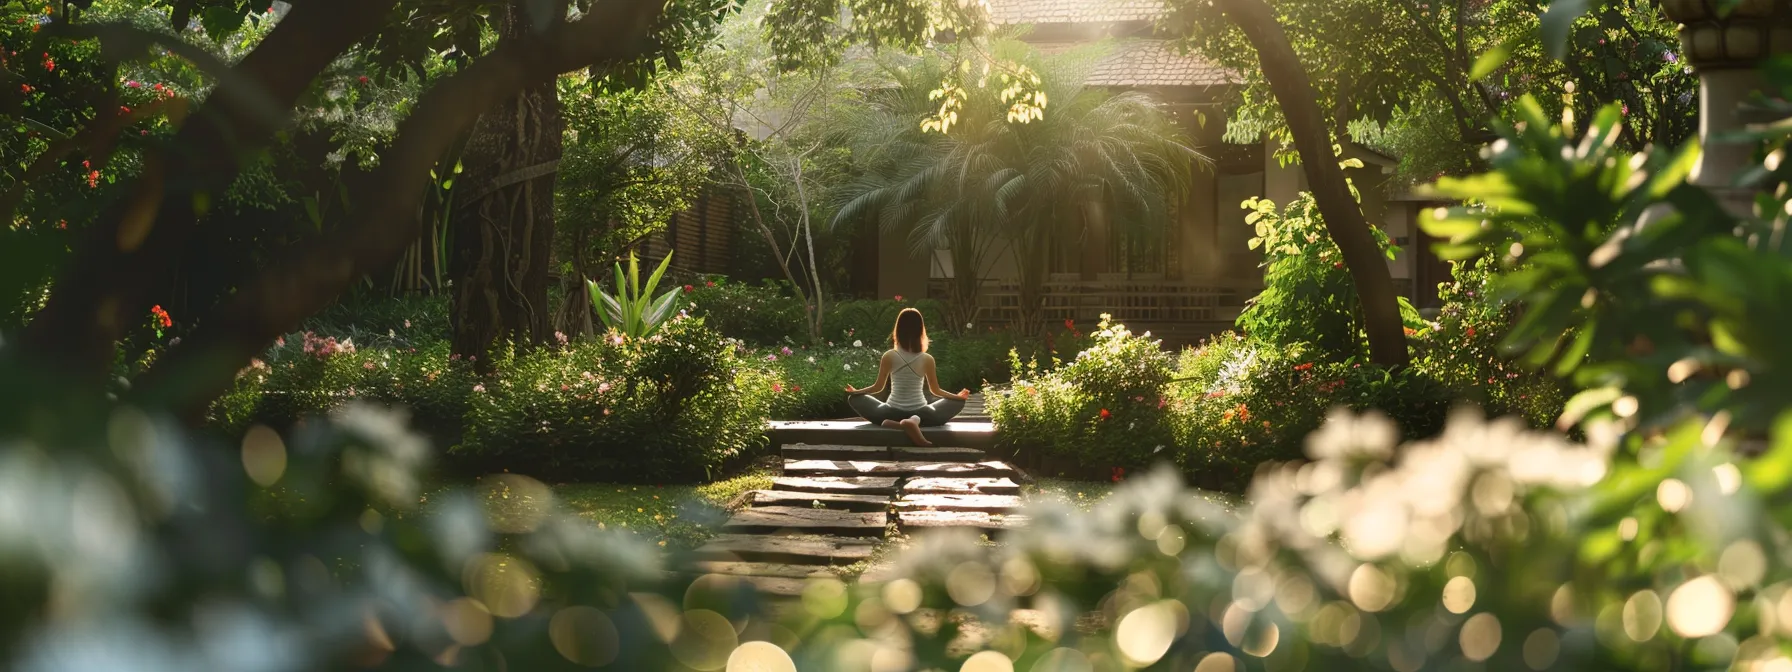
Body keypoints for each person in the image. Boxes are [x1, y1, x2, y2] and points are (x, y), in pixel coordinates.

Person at [844, 307, 970, 446]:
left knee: (854, 399)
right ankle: (914, 421)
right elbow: (936, 391)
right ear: (920, 331)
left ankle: (894, 423)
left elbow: (878, 387)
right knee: (958, 402)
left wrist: (856, 392)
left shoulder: (889, 355)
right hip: (923, 412)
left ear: (898, 330)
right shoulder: (927, 359)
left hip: (890, 411)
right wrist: (957, 397)